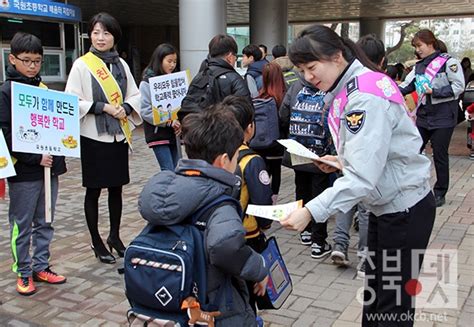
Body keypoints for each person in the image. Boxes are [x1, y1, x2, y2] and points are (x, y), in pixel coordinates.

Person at [281, 24, 436, 327]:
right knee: (376, 297)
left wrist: (311, 211)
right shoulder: (354, 85)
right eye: (301, 70)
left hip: (402, 209)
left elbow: (364, 176)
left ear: (337, 55)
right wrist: (341, 161)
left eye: (312, 67)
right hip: (386, 205)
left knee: (391, 306)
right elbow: (378, 150)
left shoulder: (363, 96)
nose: (308, 77)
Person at [138, 107, 269, 326]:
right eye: (236, 157)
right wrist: (260, 268)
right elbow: (225, 247)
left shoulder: (168, 190)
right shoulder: (218, 202)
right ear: (224, 160)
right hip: (213, 304)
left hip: (173, 298)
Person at [65, 12, 142, 264]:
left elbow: (135, 94)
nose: (100, 38)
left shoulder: (121, 64)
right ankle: (96, 241)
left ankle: (115, 236)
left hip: (118, 136)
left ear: (114, 37)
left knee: (116, 188)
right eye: (96, 32)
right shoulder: (82, 64)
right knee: (94, 190)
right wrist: (103, 107)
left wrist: (127, 109)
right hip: (93, 136)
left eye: (106, 33)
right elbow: (72, 100)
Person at [0, 32, 67, 295]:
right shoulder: (5, 92)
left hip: (49, 169)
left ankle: (41, 266)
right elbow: (5, 135)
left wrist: (57, 156)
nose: (32, 66)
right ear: (12, 59)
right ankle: (23, 271)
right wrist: (34, 158)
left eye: (37, 61)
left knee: (46, 219)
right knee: (22, 223)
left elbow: (58, 130)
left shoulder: (45, 91)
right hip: (24, 172)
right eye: (26, 60)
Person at [399, 29, 465, 207]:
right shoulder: (419, 66)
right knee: (412, 150)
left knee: (440, 155)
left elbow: (458, 86)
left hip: (443, 117)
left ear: (431, 43)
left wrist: (434, 92)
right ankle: (411, 187)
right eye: (415, 46)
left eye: (419, 45)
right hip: (423, 117)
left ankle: (440, 192)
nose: (417, 49)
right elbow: (406, 87)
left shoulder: (449, 63)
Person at [221, 95, 273, 314]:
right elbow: (263, 207)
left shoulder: (216, 155)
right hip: (248, 238)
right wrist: (266, 224)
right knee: (250, 294)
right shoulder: (251, 161)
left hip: (222, 236)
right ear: (249, 127)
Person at [279, 72, 333, 259]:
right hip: (321, 153)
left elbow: (283, 114)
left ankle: (305, 231)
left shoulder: (295, 85)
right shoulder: (327, 84)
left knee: (301, 188)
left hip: (298, 148)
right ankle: (318, 242)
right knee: (320, 194)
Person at [180, 34, 250, 121]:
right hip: (226, 132)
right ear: (230, 57)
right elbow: (247, 113)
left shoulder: (199, 76)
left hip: (199, 132)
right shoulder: (235, 79)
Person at [139, 43, 181, 171]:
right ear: (159, 60)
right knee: (168, 170)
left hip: (174, 133)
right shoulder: (147, 82)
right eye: (169, 61)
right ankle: (167, 191)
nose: (172, 65)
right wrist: (168, 122)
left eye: (174, 61)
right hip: (158, 134)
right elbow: (145, 111)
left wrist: (180, 122)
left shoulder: (174, 80)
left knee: (178, 169)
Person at [254, 62, 286, 200]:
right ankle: (273, 203)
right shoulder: (283, 97)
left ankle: (261, 199)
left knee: (263, 174)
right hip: (277, 145)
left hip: (259, 144)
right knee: (276, 173)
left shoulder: (259, 97)